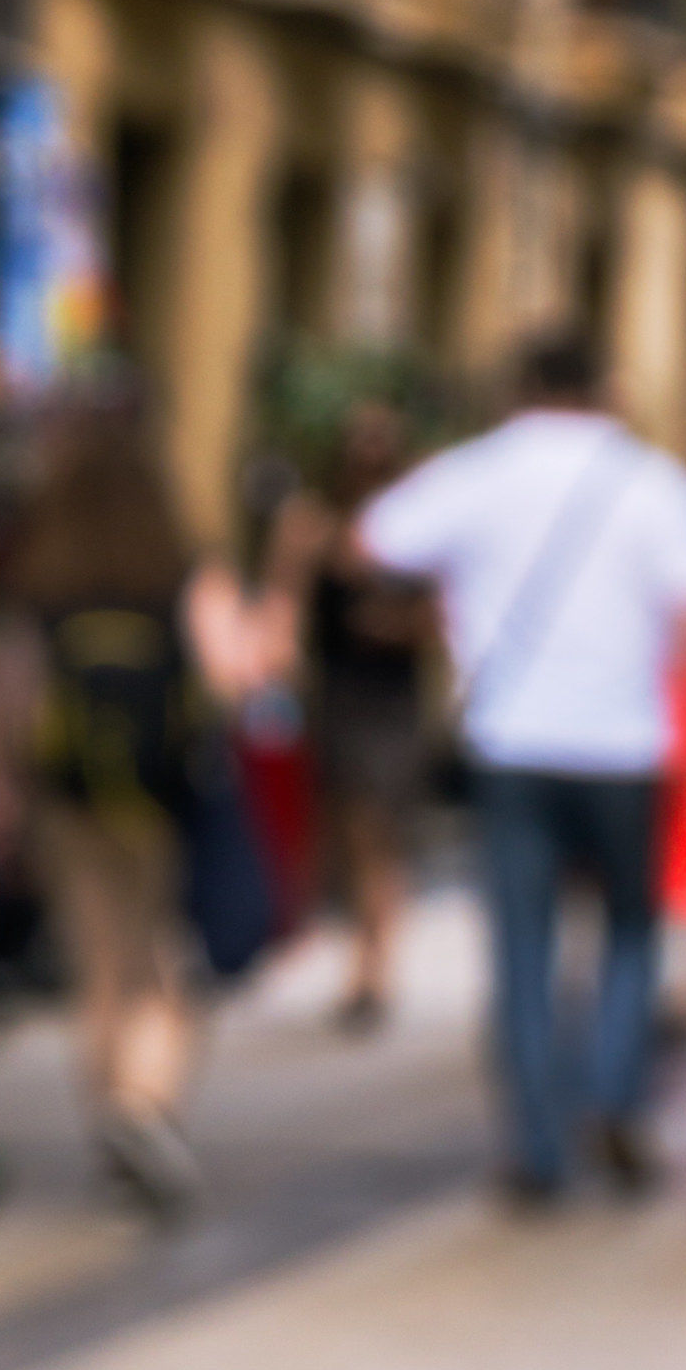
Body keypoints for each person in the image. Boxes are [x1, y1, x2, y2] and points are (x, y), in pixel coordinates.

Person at [356, 325, 686, 1201]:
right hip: (626, 745)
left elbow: (372, 541)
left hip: (510, 743)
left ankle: (534, 1143)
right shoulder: (653, 481)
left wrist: (452, 595)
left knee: (524, 943)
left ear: (518, 387)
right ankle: (614, 1094)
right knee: (631, 930)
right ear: (605, 387)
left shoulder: (477, 470)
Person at [0, 373, 222, 1216]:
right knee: (159, 963)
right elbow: (235, 670)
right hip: (159, 790)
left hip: (66, 792)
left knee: (97, 965)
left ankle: (110, 1129)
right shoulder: (176, 564)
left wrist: (4, 783)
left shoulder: (40, 571)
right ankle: (146, 1108)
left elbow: (14, 694)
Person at [285, 398, 434, 1031]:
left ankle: (373, 967)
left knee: (380, 830)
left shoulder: (419, 524)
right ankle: (360, 952)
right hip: (334, 694)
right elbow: (285, 606)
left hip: (392, 699)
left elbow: (442, 614)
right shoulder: (310, 524)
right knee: (344, 833)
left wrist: (398, 626)